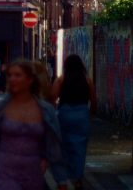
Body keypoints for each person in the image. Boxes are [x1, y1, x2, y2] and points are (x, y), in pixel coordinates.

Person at [0, 58, 66, 190]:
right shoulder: (0, 108)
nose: (12, 79)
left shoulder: (46, 111)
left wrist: (61, 180)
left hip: (33, 175)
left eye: (18, 75)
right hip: (5, 174)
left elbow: (54, 147)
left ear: (30, 79)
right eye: (10, 75)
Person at [51, 54, 96, 190]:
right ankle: (78, 178)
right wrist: (90, 115)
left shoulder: (61, 80)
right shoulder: (87, 80)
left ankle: (63, 179)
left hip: (65, 114)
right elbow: (94, 101)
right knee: (80, 149)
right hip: (82, 115)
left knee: (64, 146)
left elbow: (52, 97)